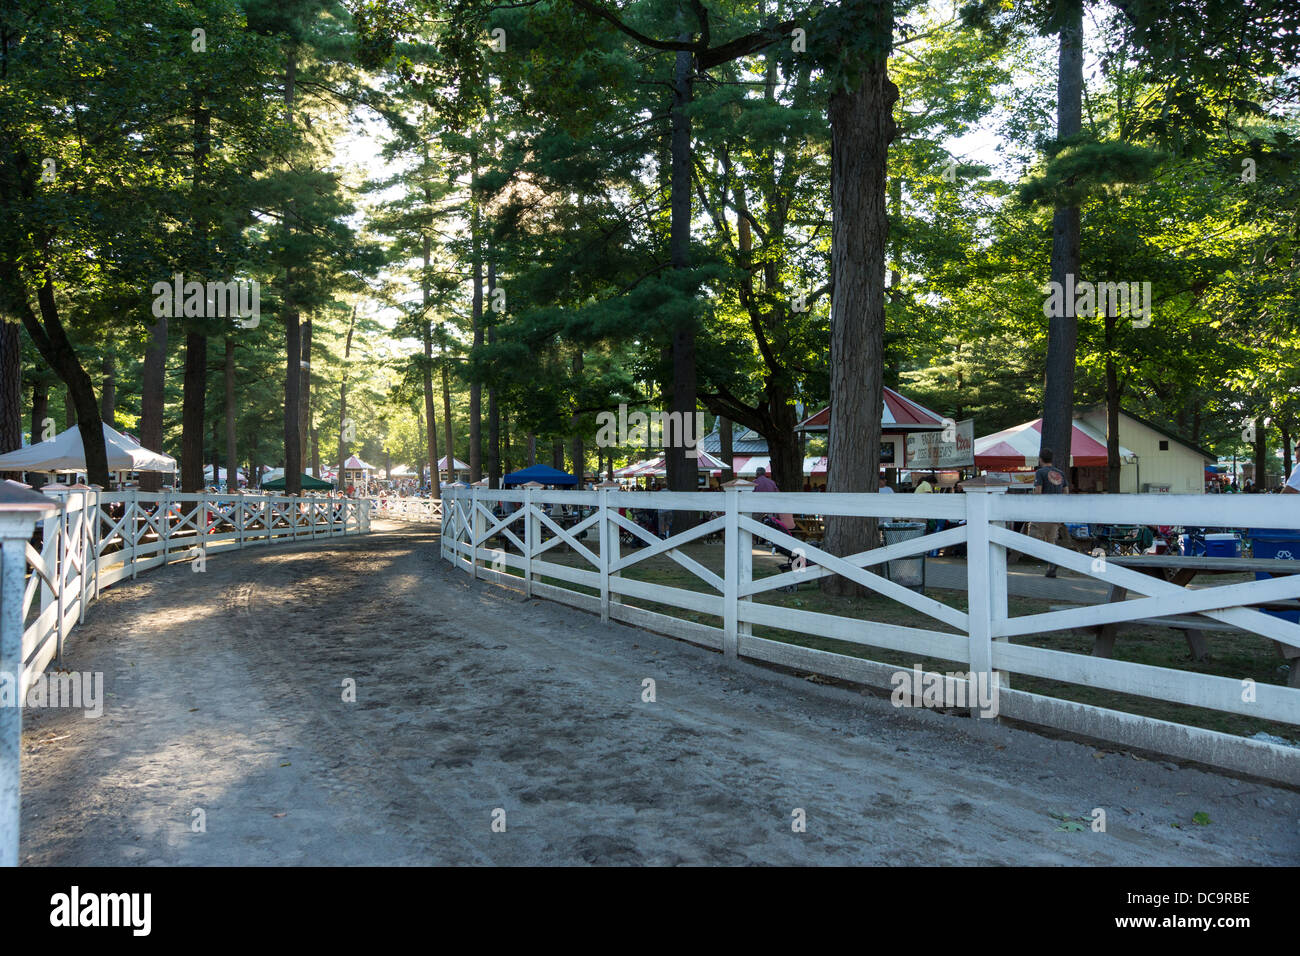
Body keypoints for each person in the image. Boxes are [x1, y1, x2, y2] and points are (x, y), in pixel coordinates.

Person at [1030, 448, 1069, 578]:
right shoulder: (1060, 473)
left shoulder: (1040, 473)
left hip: (1043, 512)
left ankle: (1048, 560)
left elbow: (1038, 491)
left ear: (1040, 459)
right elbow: (1066, 492)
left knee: (1034, 536)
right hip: (1056, 512)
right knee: (1051, 540)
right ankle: (1052, 564)